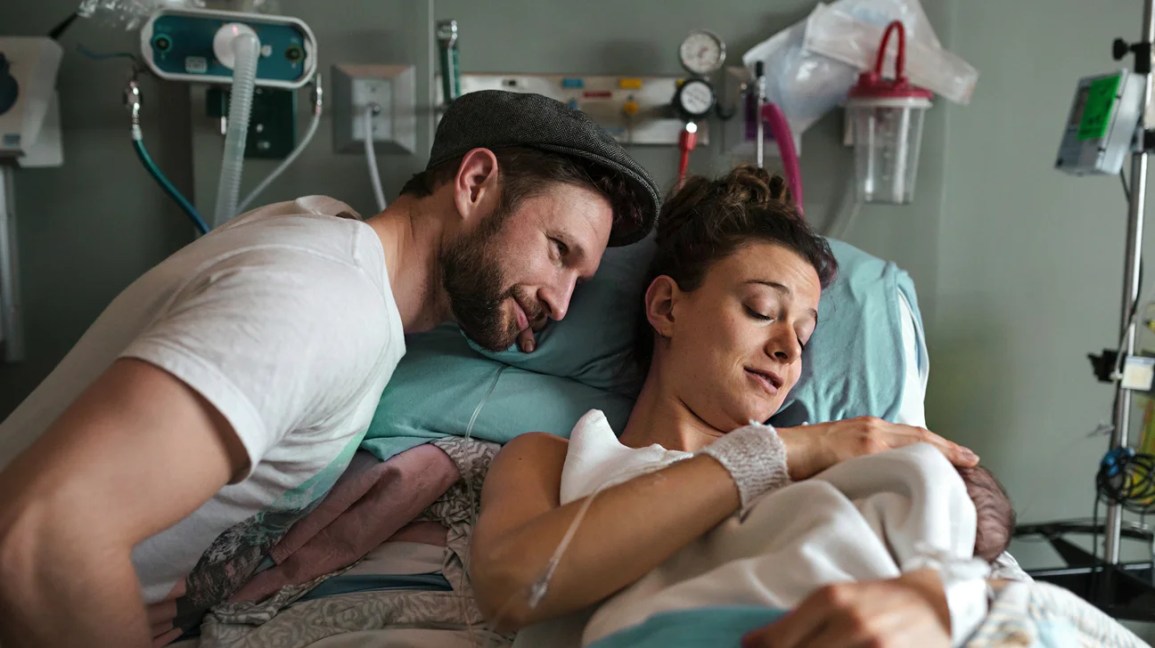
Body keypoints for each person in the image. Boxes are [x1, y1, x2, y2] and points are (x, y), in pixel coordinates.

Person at [0, 90, 660, 648]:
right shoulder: (320, 303)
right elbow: (46, 536)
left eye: (580, 276)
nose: (559, 300)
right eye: (557, 250)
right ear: (475, 183)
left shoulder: (335, 253)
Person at [470, 166, 1012, 648]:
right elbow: (513, 587)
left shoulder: (833, 472)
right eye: (761, 309)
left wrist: (936, 596)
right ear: (666, 307)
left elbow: (981, 575)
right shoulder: (550, 460)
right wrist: (784, 451)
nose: (788, 348)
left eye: (804, 334)